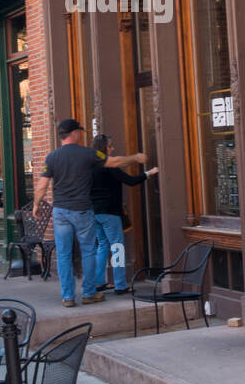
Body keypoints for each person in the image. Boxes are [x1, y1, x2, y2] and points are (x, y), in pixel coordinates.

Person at [32, 119, 146, 308]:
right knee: (88, 251)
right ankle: (89, 292)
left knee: (63, 254)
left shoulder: (51, 157)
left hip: (60, 211)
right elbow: (114, 161)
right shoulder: (88, 153)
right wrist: (135, 157)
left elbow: (42, 185)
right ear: (75, 133)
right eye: (79, 132)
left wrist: (36, 204)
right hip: (82, 210)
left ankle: (68, 296)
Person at [91, 134, 158, 294]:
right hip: (110, 212)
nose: (112, 148)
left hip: (94, 212)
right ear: (104, 148)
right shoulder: (109, 166)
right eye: (110, 146)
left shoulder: (90, 165)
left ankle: (99, 282)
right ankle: (120, 284)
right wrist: (149, 173)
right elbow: (130, 180)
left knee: (102, 246)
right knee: (117, 247)